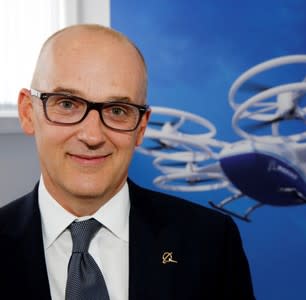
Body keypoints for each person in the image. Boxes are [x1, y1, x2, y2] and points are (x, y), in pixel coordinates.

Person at [0, 24, 255, 300]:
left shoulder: (210, 243)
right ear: (28, 112)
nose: (92, 135)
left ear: (141, 128)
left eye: (117, 110)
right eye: (67, 104)